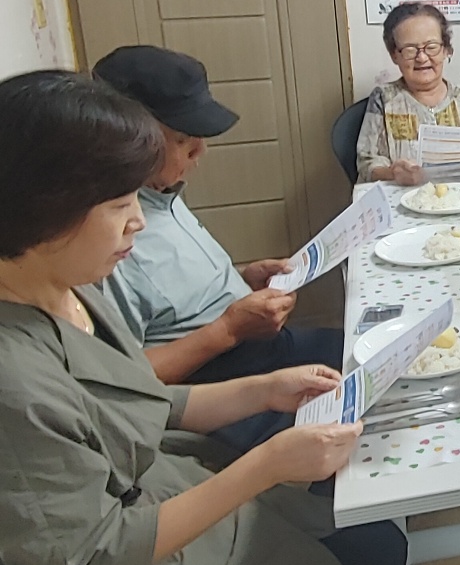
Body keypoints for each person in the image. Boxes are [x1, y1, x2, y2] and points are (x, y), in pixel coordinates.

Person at [0, 70, 422, 565]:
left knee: (376, 545)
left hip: (174, 487)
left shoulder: (70, 282)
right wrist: (270, 463)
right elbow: (93, 562)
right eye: (120, 203)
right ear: (45, 209)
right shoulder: (13, 382)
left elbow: (138, 399)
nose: (138, 221)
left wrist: (265, 390)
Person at [94, 46, 343, 452]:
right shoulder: (108, 239)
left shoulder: (161, 195)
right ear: (125, 134)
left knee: (379, 353)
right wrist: (227, 330)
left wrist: (244, 276)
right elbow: (128, 379)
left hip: (259, 345)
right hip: (216, 382)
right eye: (182, 140)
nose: (199, 153)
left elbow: (170, 292)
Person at [357, 2, 460, 184]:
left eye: (431, 47)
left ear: (445, 49)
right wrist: (393, 173)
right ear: (394, 55)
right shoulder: (385, 98)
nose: (422, 58)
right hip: (405, 199)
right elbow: (367, 163)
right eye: (410, 50)